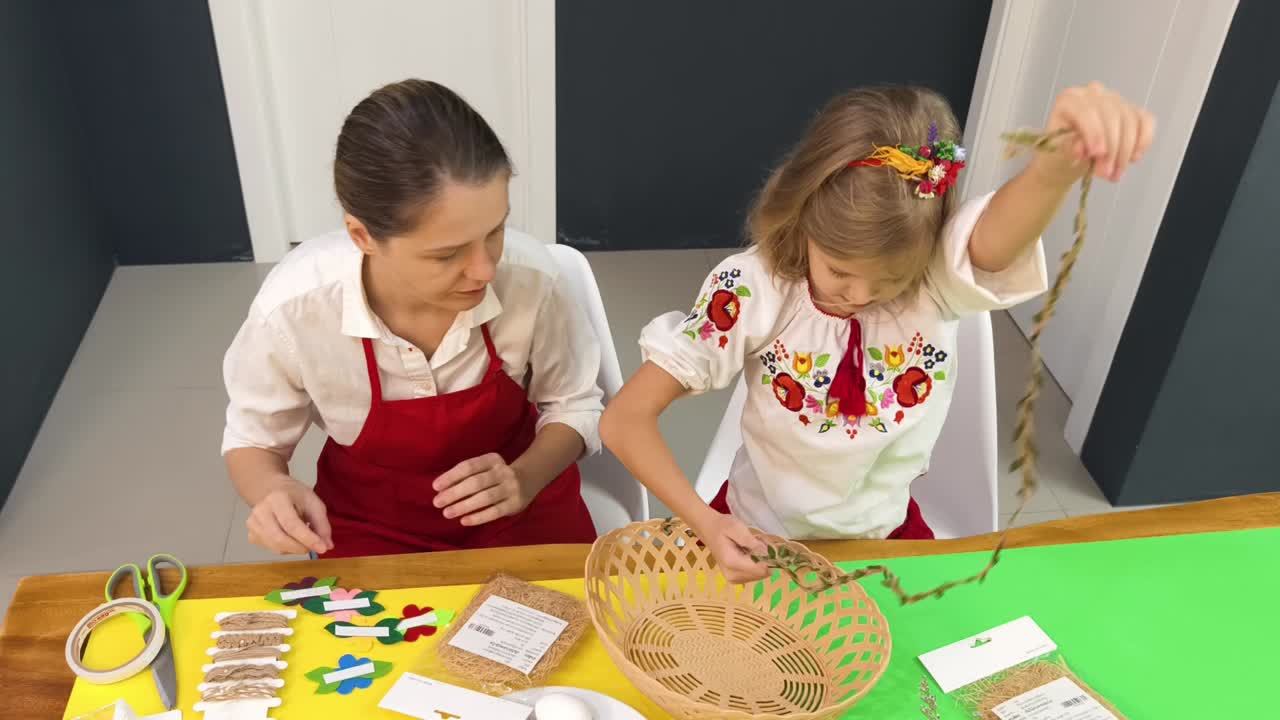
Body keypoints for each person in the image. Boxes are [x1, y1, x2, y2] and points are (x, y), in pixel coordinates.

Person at [601, 83, 1154, 582]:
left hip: (883, 539)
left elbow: (994, 240)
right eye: (840, 271)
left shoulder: (933, 281)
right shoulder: (753, 289)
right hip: (754, 533)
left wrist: (1053, 168)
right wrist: (704, 523)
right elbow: (625, 420)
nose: (861, 296)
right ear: (801, 219)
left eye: (890, 277)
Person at [222, 79, 601, 558]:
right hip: (372, 529)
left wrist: (524, 478)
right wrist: (270, 491)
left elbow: (575, 404)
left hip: (522, 510)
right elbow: (254, 441)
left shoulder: (532, 281)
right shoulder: (295, 312)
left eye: (496, 230)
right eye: (446, 255)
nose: (485, 269)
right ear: (362, 235)